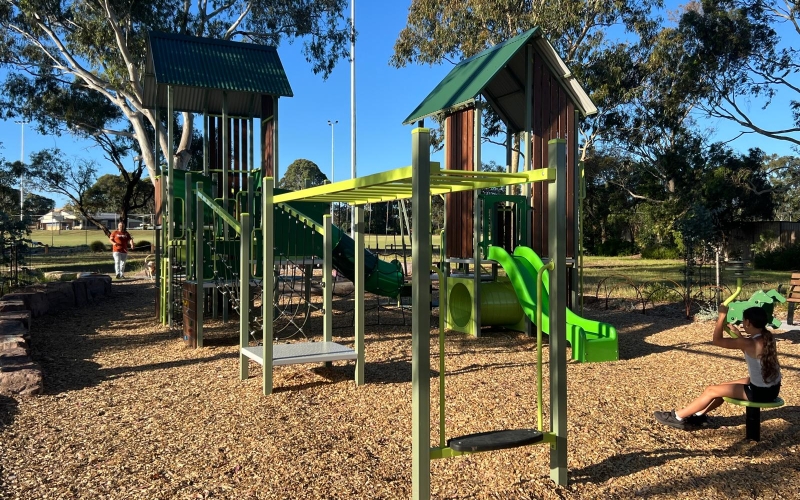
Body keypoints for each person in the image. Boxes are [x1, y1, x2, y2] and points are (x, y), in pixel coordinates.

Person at [654, 305, 781, 429]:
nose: (742, 323)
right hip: (772, 388)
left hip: (759, 392)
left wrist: (721, 317)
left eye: (743, 321)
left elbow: (717, 340)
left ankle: (677, 417)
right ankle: (698, 415)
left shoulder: (749, 342)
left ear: (748, 322)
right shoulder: (768, 338)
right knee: (721, 387)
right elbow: (751, 352)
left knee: (711, 390)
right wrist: (738, 335)